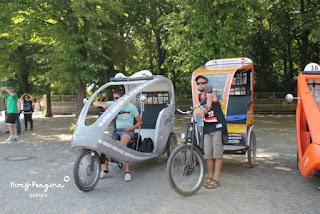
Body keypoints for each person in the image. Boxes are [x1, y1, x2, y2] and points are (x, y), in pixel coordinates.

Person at [93, 89, 143, 182]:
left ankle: (127, 172)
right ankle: (106, 171)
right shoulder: (113, 104)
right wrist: (103, 104)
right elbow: (94, 103)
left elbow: (140, 122)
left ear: (123, 98)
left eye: (117, 98)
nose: (115, 100)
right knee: (103, 143)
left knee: (122, 146)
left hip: (127, 131)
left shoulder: (131, 107)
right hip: (116, 130)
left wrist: (131, 128)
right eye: (114, 98)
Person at [196, 75, 226, 189]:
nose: (200, 85)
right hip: (207, 127)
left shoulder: (210, 92)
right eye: (198, 83)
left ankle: (216, 179)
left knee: (217, 154)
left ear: (207, 84)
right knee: (208, 155)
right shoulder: (199, 96)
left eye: (203, 83)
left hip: (217, 126)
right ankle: (210, 176)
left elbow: (208, 103)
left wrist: (205, 109)